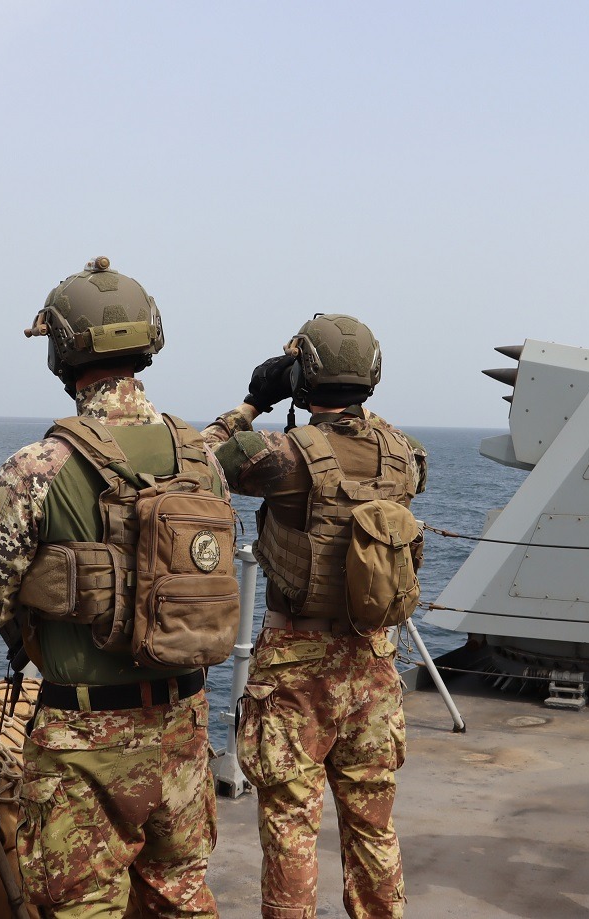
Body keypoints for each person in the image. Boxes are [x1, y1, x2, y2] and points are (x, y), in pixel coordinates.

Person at [0, 257, 232, 919]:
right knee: (180, 895)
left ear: (63, 349)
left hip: (85, 740)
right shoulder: (202, 459)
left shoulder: (39, 466)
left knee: (80, 907)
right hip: (184, 724)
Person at [204, 314, 426, 919]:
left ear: (304, 376)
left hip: (295, 668)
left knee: (290, 830)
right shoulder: (404, 453)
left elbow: (195, 465)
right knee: (374, 830)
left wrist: (253, 401)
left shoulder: (283, 456)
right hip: (376, 663)